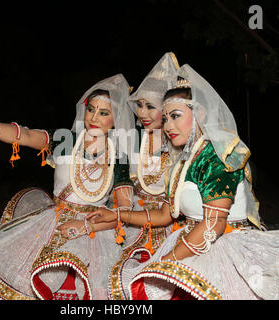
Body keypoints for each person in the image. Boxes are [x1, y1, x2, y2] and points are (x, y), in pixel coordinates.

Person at [87, 64, 279, 300]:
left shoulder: (218, 155)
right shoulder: (183, 160)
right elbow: (164, 215)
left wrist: (165, 263)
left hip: (227, 250)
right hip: (194, 240)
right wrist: (118, 215)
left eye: (176, 116)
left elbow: (214, 224)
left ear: (200, 113)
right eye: (167, 118)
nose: (169, 126)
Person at [0, 74, 136, 300]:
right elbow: (26, 135)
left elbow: (124, 211)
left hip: (94, 237)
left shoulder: (119, 158)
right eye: (91, 109)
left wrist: (86, 226)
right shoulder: (67, 140)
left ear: (116, 119)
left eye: (104, 113)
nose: (94, 117)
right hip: (49, 228)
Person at [106, 52, 180, 300]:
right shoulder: (132, 142)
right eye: (139, 105)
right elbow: (122, 180)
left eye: (151, 106)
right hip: (131, 223)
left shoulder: (181, 145)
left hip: (172, 227)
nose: (143, 113)